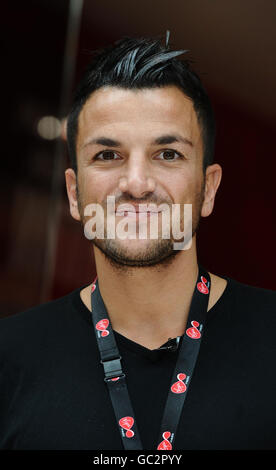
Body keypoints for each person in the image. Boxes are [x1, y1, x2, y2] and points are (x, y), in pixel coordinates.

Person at [0, 33, 275, 451]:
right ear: (74, 194)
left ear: (208, 189)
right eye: (108, 156)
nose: (137, 184)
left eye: (168, 154)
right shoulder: (9, 358)